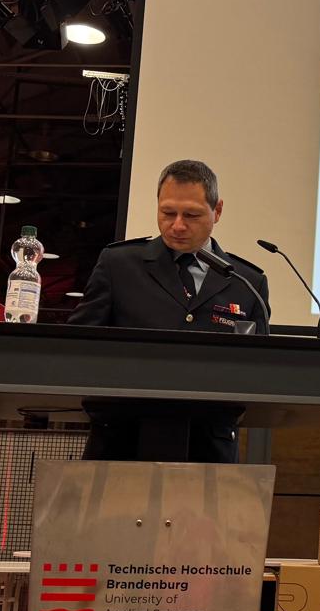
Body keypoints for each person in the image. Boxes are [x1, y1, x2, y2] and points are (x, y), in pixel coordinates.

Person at [70, 159, 270, 463]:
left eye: (191, 215)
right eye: (167, 213)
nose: (177, 225)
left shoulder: (248, 282)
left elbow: (260, 369)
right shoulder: (118, 265)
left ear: (217, 211)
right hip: (122, 441)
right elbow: (78, 344)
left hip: (209, 448)